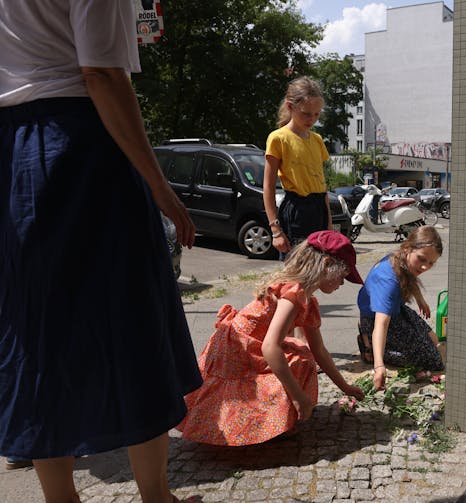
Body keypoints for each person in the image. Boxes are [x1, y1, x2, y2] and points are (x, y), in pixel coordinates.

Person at [0, 3, 201, 502]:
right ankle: (156, 496)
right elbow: (102, 74)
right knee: (131, 324)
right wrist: (162, 189)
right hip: (82, 148)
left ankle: (60, 497)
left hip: (12, 152)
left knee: (38, 331)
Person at [177, 231, 365, 445]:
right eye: (343, 274)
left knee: (303, 355)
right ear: (327, 263)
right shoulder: (293, 294)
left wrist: (345, 387)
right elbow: (270, 348)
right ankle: (271, 420)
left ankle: (280, 418)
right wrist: (297, 395)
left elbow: (319, 350)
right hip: (237, 348)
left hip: (254, 345)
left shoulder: (307, 300)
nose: (343, 282)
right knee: (297, 359)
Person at [357, 226, 445, 390]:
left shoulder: (401, 259)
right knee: (433, 360)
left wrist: (420, 299)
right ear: (408, 248)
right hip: (374, 320)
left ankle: (376, 344)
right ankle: (368, 346)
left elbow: (410, 279)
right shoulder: (388, 280)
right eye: (422, 259)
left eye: (431, 263)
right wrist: (379, 366)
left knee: (434, 341)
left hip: (396, 310)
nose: (425, 267)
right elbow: (381, 325)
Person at [263, 76, 332, 257]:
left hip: (319, 211)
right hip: (296, 212)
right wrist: (276, 230)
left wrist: (329, 226)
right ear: (290, 107)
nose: (312, 119)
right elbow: (268, 187)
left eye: (316, 114)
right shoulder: (279, 138)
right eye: (306, 113)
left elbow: (321, 186)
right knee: (296, 276)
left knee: (316, 273)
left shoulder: (317, 140)